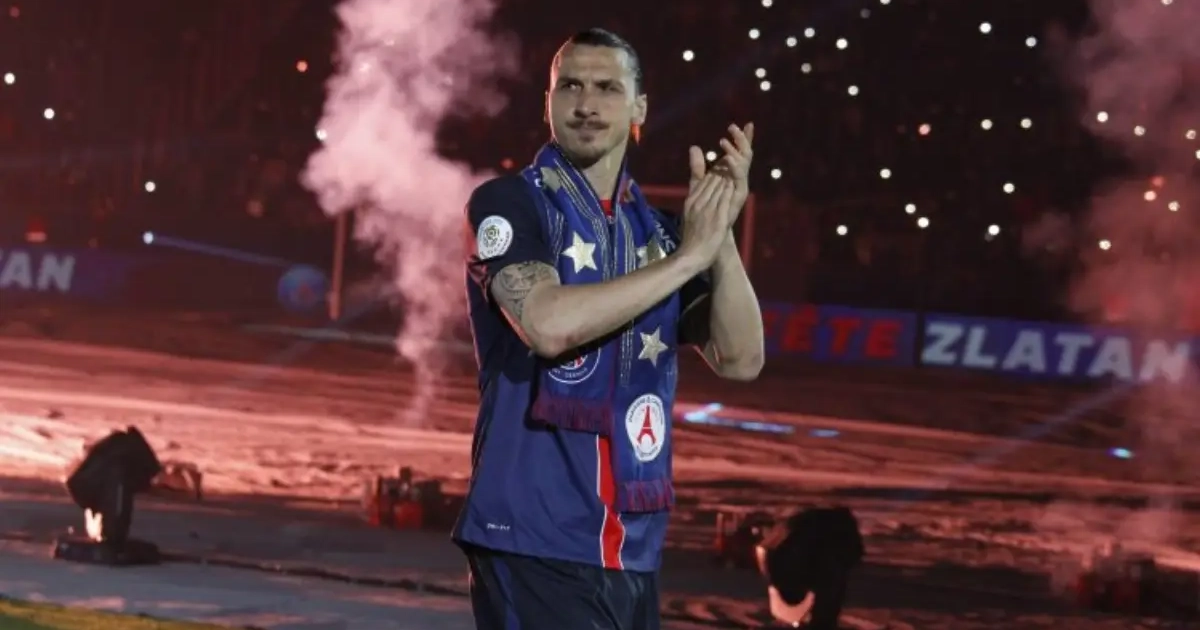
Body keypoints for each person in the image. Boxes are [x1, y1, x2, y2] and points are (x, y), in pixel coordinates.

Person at [454, 27, 765, 630]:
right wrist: (687, 260)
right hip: (532, 538)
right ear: (548, 103)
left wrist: (718, 235)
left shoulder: (662, 234)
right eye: (570, 86)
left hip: (631, 546)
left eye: (607, 88)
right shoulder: (508, 203)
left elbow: (742, 358)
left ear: (639, 107)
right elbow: (546, 324)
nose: (586, 104)